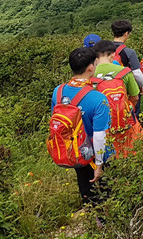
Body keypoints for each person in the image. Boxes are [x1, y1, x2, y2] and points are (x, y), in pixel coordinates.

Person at [51, 46, 110, 205]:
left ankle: (92, 219)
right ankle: (107, 224)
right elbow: (99, 135)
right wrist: (99, 164)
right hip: (96, 154)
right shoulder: (98, 98)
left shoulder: (58, 92)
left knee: (86, 188)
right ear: (91, 67)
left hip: (75, 151)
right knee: (106, 192)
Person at [92, 40, 142, 157]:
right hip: (124, 122)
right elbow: (135, 97)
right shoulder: (124, 72)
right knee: (129, 150)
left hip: (101, 124)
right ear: (113, 55)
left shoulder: (91, 75)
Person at [110, 20, 143, 121]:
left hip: (108, 87)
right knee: (132, 113)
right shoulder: (129, 52)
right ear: (126, 33)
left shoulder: (104, 50)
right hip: (126, 88)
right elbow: (136, 73)